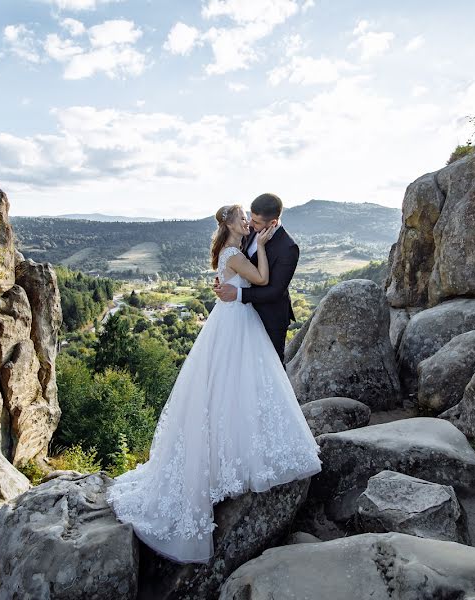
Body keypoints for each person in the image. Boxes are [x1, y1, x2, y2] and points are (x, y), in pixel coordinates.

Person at [106, 203, 321, 564]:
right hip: (236, 321)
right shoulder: (240, 247)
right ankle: (231, 457)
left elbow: (271, 288)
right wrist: (257, 255)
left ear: (270, 221)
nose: (250, 225)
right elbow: (260, 279)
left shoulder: (258, 244)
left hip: (242, 316)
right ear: (235, 223)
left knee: (243, 384)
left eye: (253, 221)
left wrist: (238, 282)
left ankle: (241, 447)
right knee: (231, 384)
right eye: (244, 220)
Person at [214, 193, 298, 364]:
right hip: (243, 316)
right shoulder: (249, 229)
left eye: (256, 222)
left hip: (271, 317)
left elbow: (274, 291)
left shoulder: (288, 248)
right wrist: (226, 280)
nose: (251, 224)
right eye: (250, 218)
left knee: (271, 367)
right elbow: (238, 261)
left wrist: (236, 293)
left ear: (273, 223)